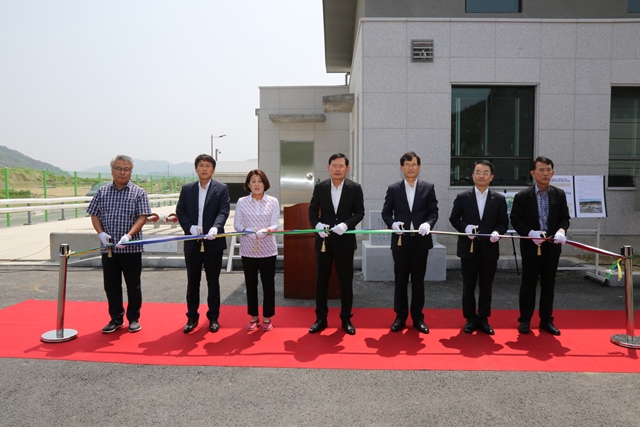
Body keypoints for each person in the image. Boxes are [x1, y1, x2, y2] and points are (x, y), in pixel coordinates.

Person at [87, 155, 151, 334]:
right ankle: (116, 318)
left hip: (131, 248)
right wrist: (101, 233)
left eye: (126, 169)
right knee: (111, 285)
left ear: (131, 171)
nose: (122, 172)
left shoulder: (139, 192)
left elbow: (142, 217)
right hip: (109, 249)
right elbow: (94, 214)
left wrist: (129, 236)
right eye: (119, 168)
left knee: (133, 285)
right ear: (112, 170)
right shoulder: (102, 192)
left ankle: (134, 318)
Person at [510, 156, 570, 336]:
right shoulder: (522, 196)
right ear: (533, 173)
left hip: (552, 246)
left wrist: (561, 231)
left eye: (548, 170)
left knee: (548, 284)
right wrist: (530, 233)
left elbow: (564, 217)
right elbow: (515, 219)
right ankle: (525, 320)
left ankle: (546, 320)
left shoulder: (559, 194)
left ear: (553, 172)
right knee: (528, 283)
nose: (545, 173)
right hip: (531, 245)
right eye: (541, 170)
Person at [449, 160, 509, 335]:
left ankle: (483, 318)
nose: (481, 176)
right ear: (473, 175)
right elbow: (454, 219)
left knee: (486, 286)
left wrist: (498, 232)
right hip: (468, 248)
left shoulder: (499, 199)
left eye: (485, 173)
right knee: (468, 285)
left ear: (491, 177)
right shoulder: (463, 197)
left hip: (489, 249)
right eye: (478, 172)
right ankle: (470, 318)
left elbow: (503, 223)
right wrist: (465, 228)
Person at [381, 151, 438, 334]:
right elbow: (386, 213)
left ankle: (418, 318)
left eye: (413, 164)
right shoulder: (394, 188)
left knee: (418, 281)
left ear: (419, 167)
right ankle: (400, 317)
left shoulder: (428, 187)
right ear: (401, 167)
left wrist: (428, 224)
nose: (410, 168)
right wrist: (393, 224)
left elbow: (433, 212)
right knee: (400, 280)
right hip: (400, 241)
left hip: (421, 241)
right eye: (407, 164)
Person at [308, 153, 365, 335]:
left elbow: (359, 212)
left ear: (347, 168)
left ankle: (346, 318)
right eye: (334, 166)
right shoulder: (320, 187)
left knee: (346, 282)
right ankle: (321, 318)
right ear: (328, 167)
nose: (338, 169)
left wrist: (346, 225)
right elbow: (312, 211)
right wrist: (317, 225)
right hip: (324, 241)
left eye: (341, 166)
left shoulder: (355, 188)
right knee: (321, 281)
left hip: (345, 241)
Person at [176, 154, 230, 334]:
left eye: (208, 165)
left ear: (213, 169)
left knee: (213, 281)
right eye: (201, 165)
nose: (204, 168)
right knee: (193, 282)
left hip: (213, 242)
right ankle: (192, 317)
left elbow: (223, 211)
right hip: (192, 242)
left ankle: (213, 317)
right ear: (196, 168)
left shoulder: (221, 188)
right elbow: (180, 211)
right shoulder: (187, 189)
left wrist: (216, 227)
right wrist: (189, 227)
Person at [233, 169, 280, 331]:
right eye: (253, 181)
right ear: (248, 184)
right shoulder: (242, 202)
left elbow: (275, 224)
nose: (257, 184)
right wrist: (245, 230)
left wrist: (267, 230)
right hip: (248, 249)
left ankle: (267, 317)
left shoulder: (273, 201)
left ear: (265, 183)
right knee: (251, 284)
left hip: (268, 249)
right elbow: (237, 224)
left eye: (260, 181)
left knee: (268, 284)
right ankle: (254, 317)